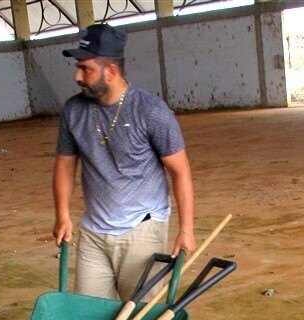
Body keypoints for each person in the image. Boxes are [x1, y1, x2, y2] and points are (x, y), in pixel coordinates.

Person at [52, 23, 196, 300]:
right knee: (88, 315)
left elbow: (180, 172)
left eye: (86, 69)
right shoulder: (73, 111)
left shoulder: (151, 111)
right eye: (77, 67)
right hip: (93, 233)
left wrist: (186, 230)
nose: (77, 76)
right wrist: (63, 215)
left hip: (141, 229)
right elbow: (65, 165)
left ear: (112, 71)